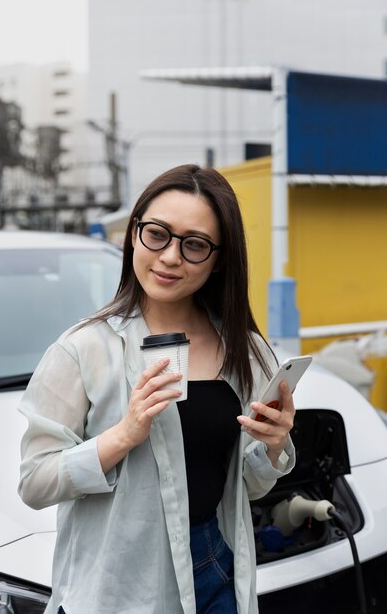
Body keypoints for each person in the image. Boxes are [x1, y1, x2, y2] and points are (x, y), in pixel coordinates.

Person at [18, 163, 296, 614]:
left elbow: (244, 486)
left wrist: (274, 444)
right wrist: (123, 435)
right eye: (157, 234)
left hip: (215, 566)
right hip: (119, 583)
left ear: (219, 258)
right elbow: (34, 482)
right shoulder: (84, 349)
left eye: (194, 245)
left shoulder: (247, 350)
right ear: (133, 234)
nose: (170, 257)